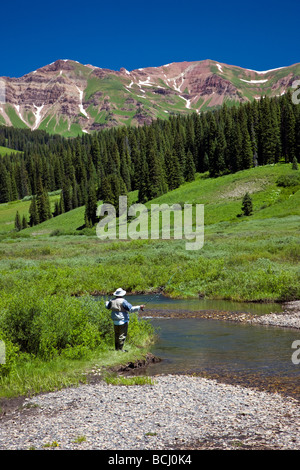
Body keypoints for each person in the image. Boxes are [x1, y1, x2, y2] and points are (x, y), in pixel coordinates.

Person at [105, 288, 145, 352]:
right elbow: (131, 309)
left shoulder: (111, 301)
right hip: (123, 320)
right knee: (122, 335)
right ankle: (120, 349)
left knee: (116, 335)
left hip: (115, 320)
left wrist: (106, 302)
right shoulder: (123, 301)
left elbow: (107, 306)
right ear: (122, 294)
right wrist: (139, 307)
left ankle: (116, 349)